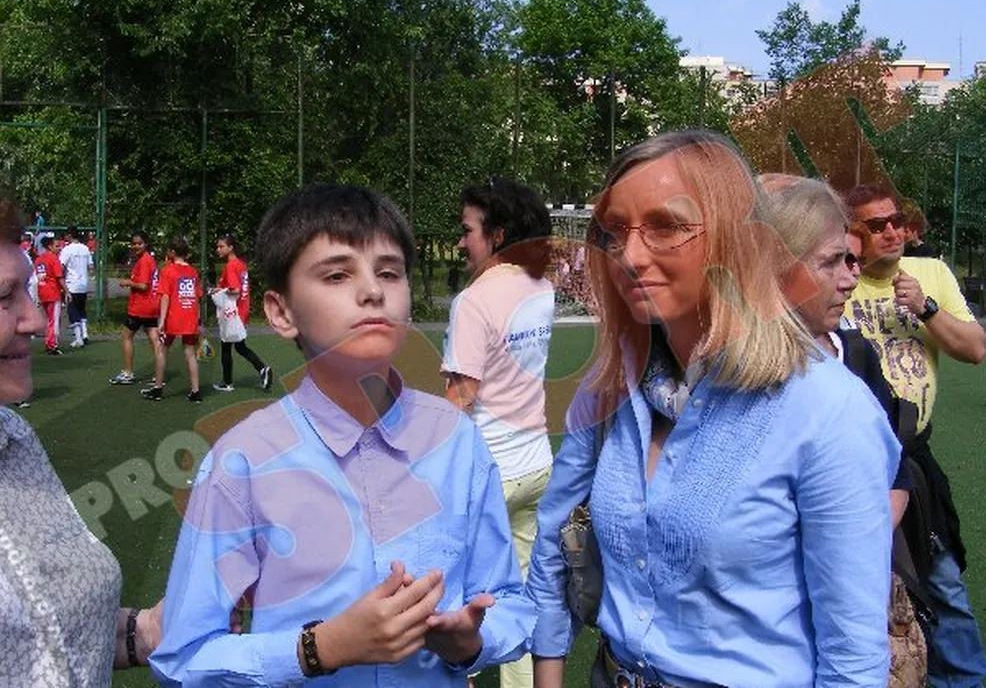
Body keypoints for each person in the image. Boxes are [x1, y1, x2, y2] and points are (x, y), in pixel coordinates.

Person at [526, 131, 900, 687]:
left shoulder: (828, 410)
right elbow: (554, 547)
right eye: (614, 231)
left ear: (733, 236)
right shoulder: (611, 384)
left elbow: (853, 656)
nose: (629, 255)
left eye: (666, 226)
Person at [151, 183, 535, 687]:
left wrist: (471, 641)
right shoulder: (242, 462)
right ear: (281, 312)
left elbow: (510, 603)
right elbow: (183, 658)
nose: (373, 291)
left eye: (389, 272)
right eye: (337, 274)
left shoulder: (456, 442)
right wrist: (322, 648)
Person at [0, 169, 163, 686]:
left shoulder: (11, 438)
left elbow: (38, 630)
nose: (36, 320)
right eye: (3, 298)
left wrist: (146, 631)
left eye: (27, 291)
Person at [762, 175, 927, 686]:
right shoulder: (714, 383)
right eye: (834, 261)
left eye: (851, 261)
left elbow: (897, 464)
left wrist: (866, 529)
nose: (851, 277)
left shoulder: (853, 364)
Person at [844, 183, 986, 688]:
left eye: (896, 221)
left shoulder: (931, 273)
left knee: (943, 583)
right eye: (875, 225)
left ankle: (964, 680)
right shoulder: (838, 278)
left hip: (913, 458)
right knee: (853, 583)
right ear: (851, 233)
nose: (892, 232)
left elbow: (975, 349)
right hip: (850, 464)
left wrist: (926, 308)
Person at [442, 178, 555, 688]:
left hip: (488, 476)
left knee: (453, 599)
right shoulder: (541, 288)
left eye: (468, 230)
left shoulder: (474, 300)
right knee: (520, 601)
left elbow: (460, 401)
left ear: (498, 234)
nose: (461, 241)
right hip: (537, 465)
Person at [142, 236, 202, 403]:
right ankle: (195, 391)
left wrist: (161, 321)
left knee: (161, 350)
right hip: (189, 317)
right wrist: (198, 319)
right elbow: (197, 297)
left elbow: (165, 297)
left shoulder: (168, 271)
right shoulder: (193, 272)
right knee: (190, 353)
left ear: (173, 252)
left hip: (173, 318)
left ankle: (158, 388)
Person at [210, 233, 272, 392]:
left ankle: (229, 382)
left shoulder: (231, 266)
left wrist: (219, 291)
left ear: (231, 247)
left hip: (233, 312)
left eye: (221, 246)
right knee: (238, 346)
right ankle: (260, 369)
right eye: (217, 246)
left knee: (227, 345)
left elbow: (235, 290)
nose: (218, 249)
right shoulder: (241, 264)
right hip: (241, 310)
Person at [109, 231, 165, 386]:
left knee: (126, 336)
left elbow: (143, 285)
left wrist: (128, 282)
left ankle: (128, 373)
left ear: (146, 244)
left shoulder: (145, 261)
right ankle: (159, 374)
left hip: (141, 307)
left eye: (139, 243)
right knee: (154, 339)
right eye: (134, 243)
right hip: (151, 305)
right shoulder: (148, 260)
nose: (136, 246)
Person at [58, 225, 94, 348]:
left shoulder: (67, 250)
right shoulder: (85, 248)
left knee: (72, 310)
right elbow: (90, 266)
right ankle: (85, 334)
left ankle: (78, 338)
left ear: (69, 235)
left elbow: (61, 266)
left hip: (72, 284)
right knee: (82, 309)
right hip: (83, 284)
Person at [33, 234, 66, 356]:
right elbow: (59, 277)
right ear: (50, 246)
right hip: (52, 292)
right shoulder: (53, 258)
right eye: (57, 246)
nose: (59, 248)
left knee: (49, 320)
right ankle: (52, 345)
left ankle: (49, 342)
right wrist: (67, 291)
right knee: (54, 320)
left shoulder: (39, 259)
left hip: (42, 291)